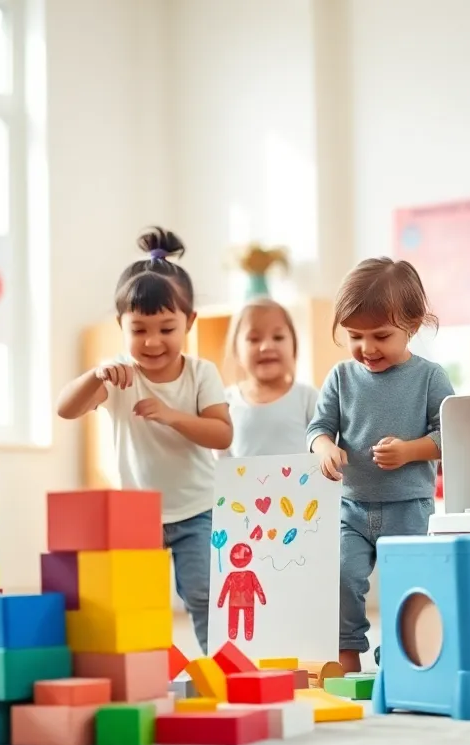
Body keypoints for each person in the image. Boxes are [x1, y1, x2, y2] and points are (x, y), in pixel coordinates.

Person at [55, 226, 232, 653]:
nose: (152, 342)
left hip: (197, 508)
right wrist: (94, 376)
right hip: (138, 513)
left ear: (189, 323)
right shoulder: (117, 373)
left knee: (204, 594)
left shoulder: (200, 373)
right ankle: (147, 671)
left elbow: (222, 433)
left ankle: (218, 667)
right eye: (139, 330)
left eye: (166, 329)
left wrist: (172, 416)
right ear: (121, 326)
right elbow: (66, 408)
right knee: (139, 601)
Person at [307, 257, 455, 672]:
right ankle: (346, 653)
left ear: (412, 325)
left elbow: (452, 436)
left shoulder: (429, 377)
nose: (367, 348)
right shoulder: (341, 377)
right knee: (340, 576)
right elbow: (318, 427)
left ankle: (399, 650)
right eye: (355, 336)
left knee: (407, 583)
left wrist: (410, 450)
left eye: (381, 336)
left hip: (409, 506)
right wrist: (323, 448)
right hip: (351, 507)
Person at [221, 297, 317, 458]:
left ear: (293, 345)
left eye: (278, 337)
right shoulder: (224, 403)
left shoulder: (308, 398)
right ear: (236, 350)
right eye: (253, 339)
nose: (266, 346)